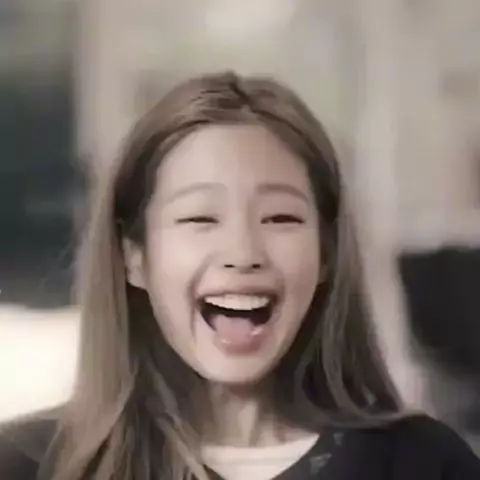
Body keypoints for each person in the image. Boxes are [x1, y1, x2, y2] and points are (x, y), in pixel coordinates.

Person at [1, 71, 479, 480]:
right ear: (135, 257)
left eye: (280, 218)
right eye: (200, 218)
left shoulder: (423, 463)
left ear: (327, 254)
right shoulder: (30, 465)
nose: (243, 253)